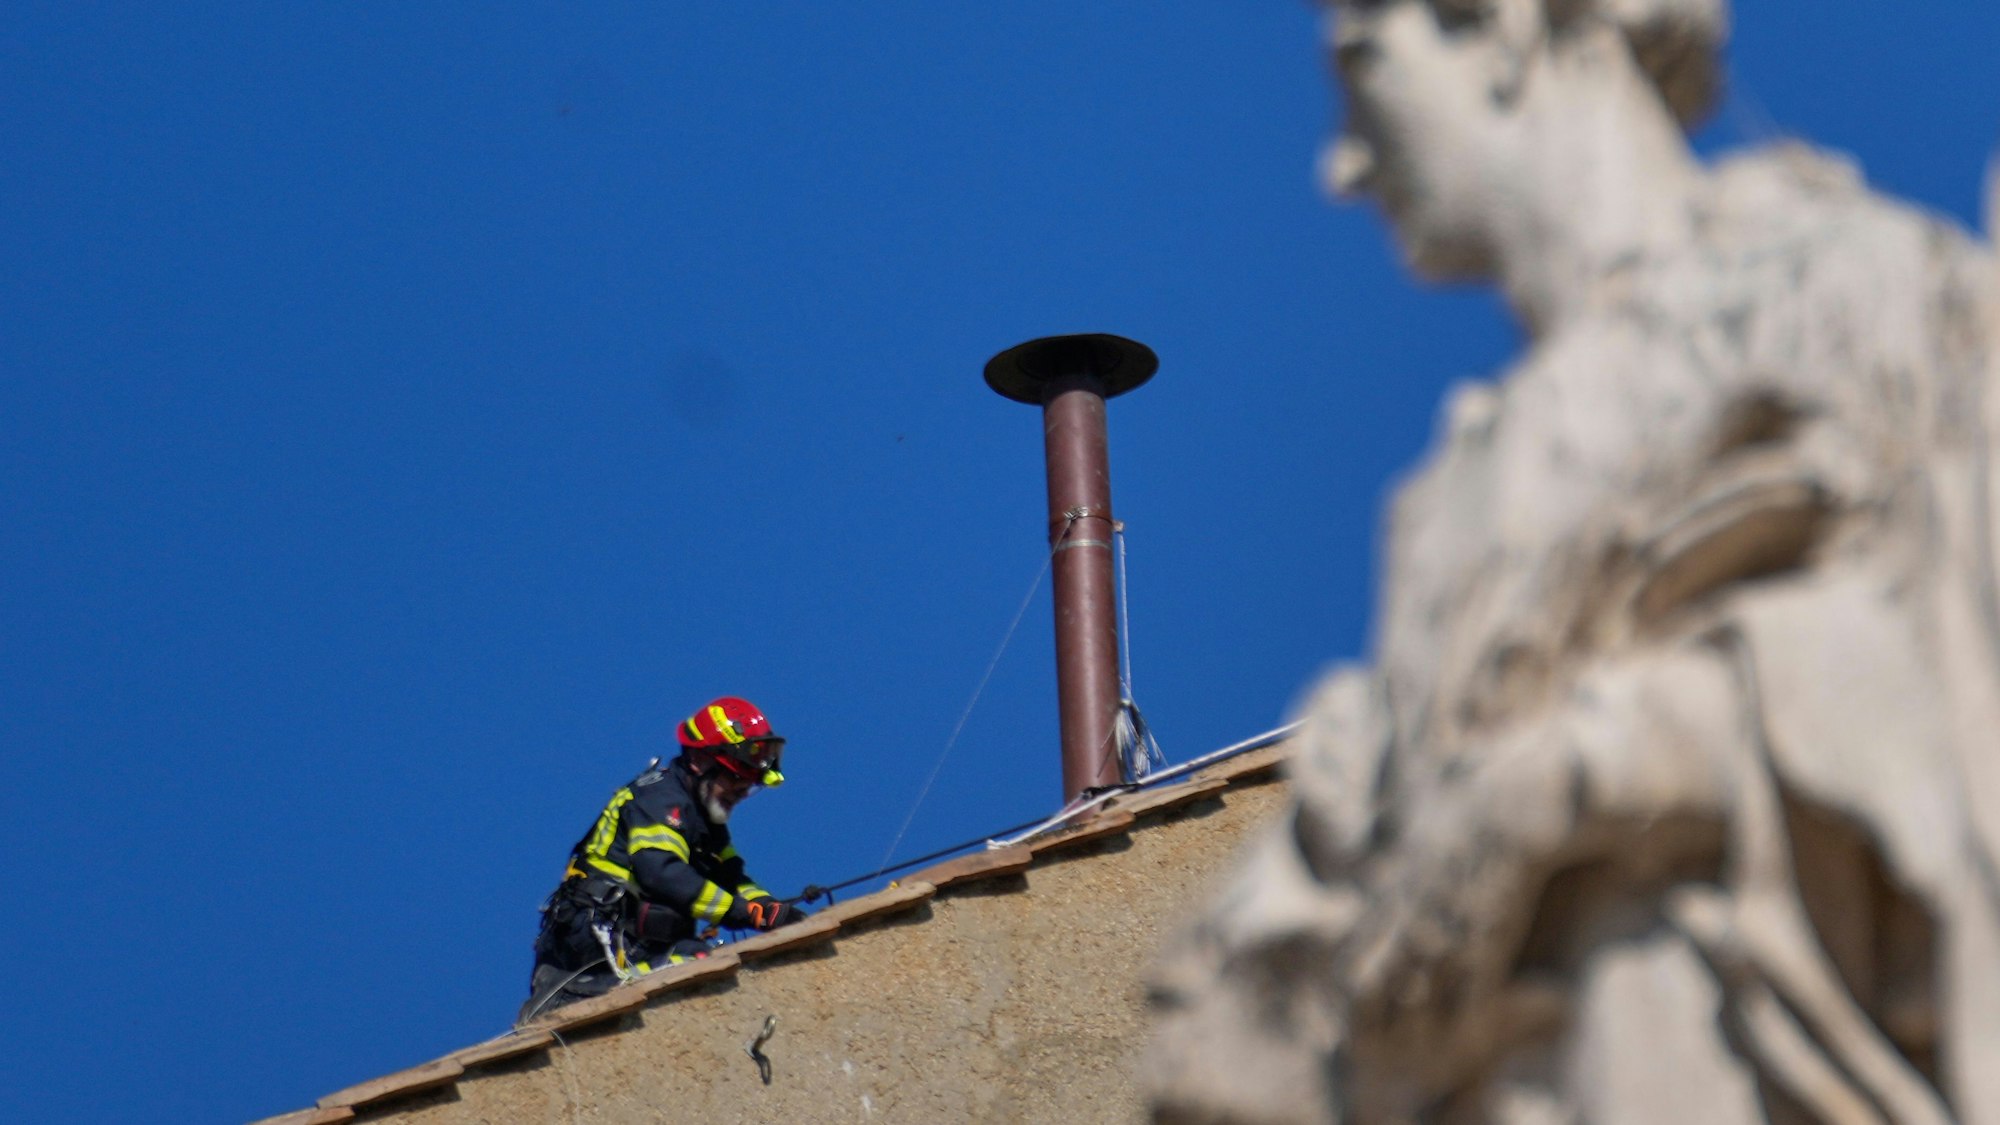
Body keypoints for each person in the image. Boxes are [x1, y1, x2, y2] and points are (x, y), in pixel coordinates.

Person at [519, 696, 806, 1023]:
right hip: (593, 937)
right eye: (735, 778)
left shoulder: (706, 821)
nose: (741, 791)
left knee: (695, 962)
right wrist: (740, 911)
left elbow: (732, 877)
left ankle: (591, 993)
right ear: (700, 761)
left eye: (748, 785)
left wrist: (770, 910)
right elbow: (661, 873)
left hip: (633, 941)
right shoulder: (660, 798)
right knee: (694, 964)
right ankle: (564, 996)